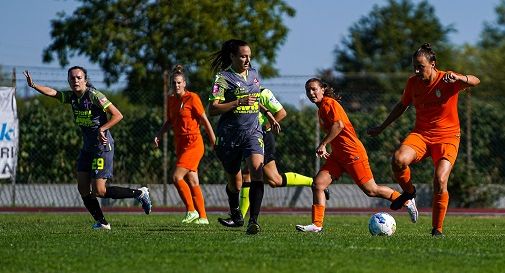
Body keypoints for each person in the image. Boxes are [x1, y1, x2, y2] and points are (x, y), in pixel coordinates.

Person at [367, 43, 480, 237]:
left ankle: (437, 229)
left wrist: (460, 77)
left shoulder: (447, 79)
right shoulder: (413, 83)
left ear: (433, 64)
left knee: (440, 179)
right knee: (398, 160)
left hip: (447, 137)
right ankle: (409, 193)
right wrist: (382, 127)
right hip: (422, 134)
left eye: (421, 66)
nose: (417, 70)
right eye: (414, 67)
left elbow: (475, 80)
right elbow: (402, 106)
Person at [23, 66, 152, 230]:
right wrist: (33, 85)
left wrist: (102, 129)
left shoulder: (93, 95)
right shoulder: (72, 97)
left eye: (78, 77)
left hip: (102, 147)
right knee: (83, 187)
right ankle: (102, 222)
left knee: (99, 190)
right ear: (69, 81)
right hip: (87, 148)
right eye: (72, 78)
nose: (75, 80)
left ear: (85, 79)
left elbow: (118, 115)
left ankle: (140, 193)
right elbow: (53, 93)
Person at [296, 78, 417, 233]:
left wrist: (323, 144)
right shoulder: (321, 109)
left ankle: (407, 201)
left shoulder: (328, 103)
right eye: (308, 90)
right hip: (338, 156)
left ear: (323, 89)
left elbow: (338, 125)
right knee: (318, 184)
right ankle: (317, 225)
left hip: (352, 152)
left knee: (371, 190)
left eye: (314, 89)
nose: (311, 93)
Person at [208, 39, 279, 235]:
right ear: (232, 56)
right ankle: (236, 213)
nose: (247, 59)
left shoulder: (254, 74)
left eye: (249, 55)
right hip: (229, 135)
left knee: (257, 171)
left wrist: (267, 112)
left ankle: (253, 221)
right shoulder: (222, 78)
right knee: (235, 183)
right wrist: (238, 102)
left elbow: (254, 99)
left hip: (253, 132)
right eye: (243, 56)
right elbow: (212, 109)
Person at [239, 88, 330, 218]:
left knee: (248, 174)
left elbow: (282, 113)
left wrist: (265, 128)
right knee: (274, 180)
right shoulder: (237, 92)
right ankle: (313, 182)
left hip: (262, 138)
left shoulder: (263, 92)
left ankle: (239, 217)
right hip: (247, 137)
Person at [154, 64, 216, 225]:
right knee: (193, 181)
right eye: (174, 83)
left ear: (185, 83)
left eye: (179, 82)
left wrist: (213, 140)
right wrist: (159, 134)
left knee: (176, 177)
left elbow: (204, 120)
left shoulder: (192, 98)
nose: (176, 85)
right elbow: (169, 121)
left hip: (194, 143)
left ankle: (191, 210)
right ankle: (203, 217)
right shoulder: (171, 100)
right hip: (180, 145)